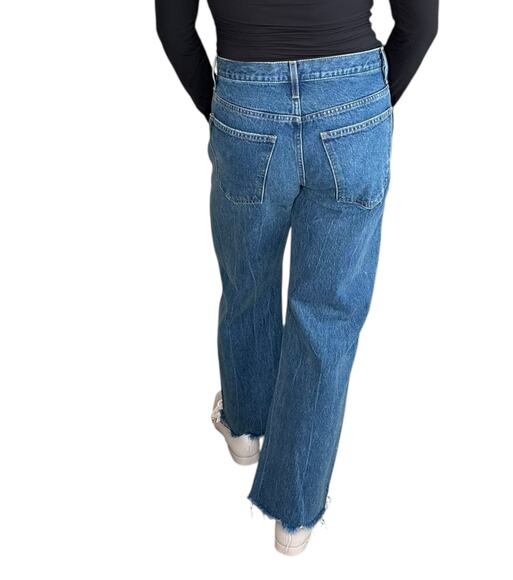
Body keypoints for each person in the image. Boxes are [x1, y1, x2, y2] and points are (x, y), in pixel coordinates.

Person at [155, 0, 438, 556]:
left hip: (246, 95)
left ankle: (244, 427)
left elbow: (172, 26)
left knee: (247, 276)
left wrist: (224, 111)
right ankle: (294, 513)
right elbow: (421, 24)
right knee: (327, 315)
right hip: (353, 96)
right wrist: (367, 106)